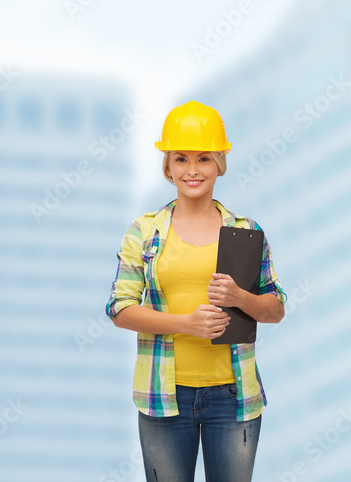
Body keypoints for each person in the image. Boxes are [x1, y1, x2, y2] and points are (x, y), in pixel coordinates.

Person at [105, 101, 287, 482]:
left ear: (219, 164)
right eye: (181, 159)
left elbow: (274, 308)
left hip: (233, 398)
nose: (192, 170)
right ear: (168, 167)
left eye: (203, 158)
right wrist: (185, 323)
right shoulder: (145, 231)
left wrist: (240, 298)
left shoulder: (246, 232)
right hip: (164, 397)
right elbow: (120, 308)